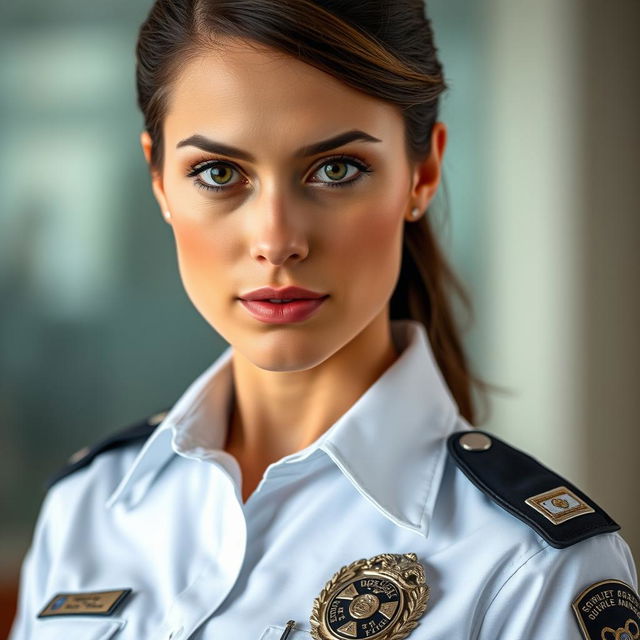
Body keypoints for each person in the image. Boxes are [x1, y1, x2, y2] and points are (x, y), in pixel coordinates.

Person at [8, 1, 639, 639]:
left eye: (336, 170)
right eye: (218, 172)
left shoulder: (533, 566)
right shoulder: (87, 508)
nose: (277, 239)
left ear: (422, 174)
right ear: (160, 181)